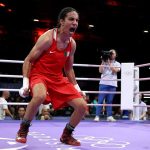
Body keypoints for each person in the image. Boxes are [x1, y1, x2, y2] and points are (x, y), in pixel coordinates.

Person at [16, 7, 87, 146]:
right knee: (40, 96)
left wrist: (77, 87)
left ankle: (66, 135)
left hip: (57, 78)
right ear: (61, 21)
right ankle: (23, 129)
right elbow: (28, 60)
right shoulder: (48, 38)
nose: (75, 23)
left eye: (77, 20)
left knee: (82, 106)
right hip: (39, 75)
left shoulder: (72, 44)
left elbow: (68, 68)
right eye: (71, 19)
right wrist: (25, 83)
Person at [94, 49, 121, 122]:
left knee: (110, 101)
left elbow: (115, 70)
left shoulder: (118, 63)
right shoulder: (104, 62)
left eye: (113, 53)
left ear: (115, 55)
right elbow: (100, 71)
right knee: (100, 100)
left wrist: (109, 63)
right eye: (110, 53)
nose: (112, 54)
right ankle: (97, 116)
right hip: (103, 83)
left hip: (112, 84)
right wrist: (103, 60)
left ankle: (109, 116)